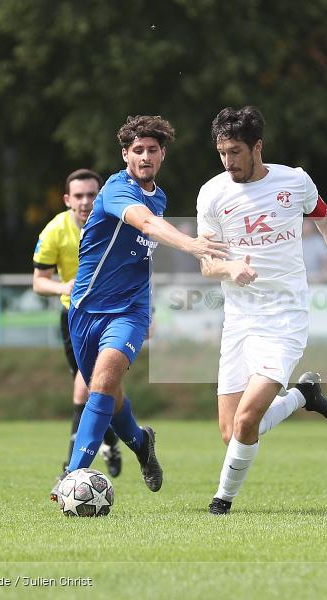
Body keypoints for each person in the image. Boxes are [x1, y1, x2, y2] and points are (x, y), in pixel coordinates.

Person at [196, 106, 327, 515]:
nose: (228, 162)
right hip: (239, 319)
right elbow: (207, 263)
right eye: (222, 152)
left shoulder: (294, 182)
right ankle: (303, 396)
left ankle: (221, 502)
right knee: (232, 432)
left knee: (245, 424)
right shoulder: (212, 193)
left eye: (236, 152)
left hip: (285, 318)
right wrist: (229, 267)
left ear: (257, 147)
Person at [50, 115, 227, 501]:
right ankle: (139, 441)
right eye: (138, 150)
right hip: (84, 310)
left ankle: (74, 472)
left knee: (103, 380)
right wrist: (192, 244)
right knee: (109, 395)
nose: (145, 156)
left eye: (152, 150)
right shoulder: (115, 190)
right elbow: (145, 224)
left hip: (129, 311)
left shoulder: (158, 195)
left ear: (162, 154)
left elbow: (141, 254)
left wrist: (147, 309)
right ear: (125, 154)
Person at [32, 169, 122, 480]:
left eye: (91, 195)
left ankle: (70, 469)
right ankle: (110, 441)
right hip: (74, 317)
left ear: (101, 196)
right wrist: (63, 287)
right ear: (68, 199)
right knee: (97, 387)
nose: (85, 202)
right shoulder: (55, 231)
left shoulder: (115, 223)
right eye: (79, 196)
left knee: (87, 387)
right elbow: (39, 282)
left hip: (112, 315)